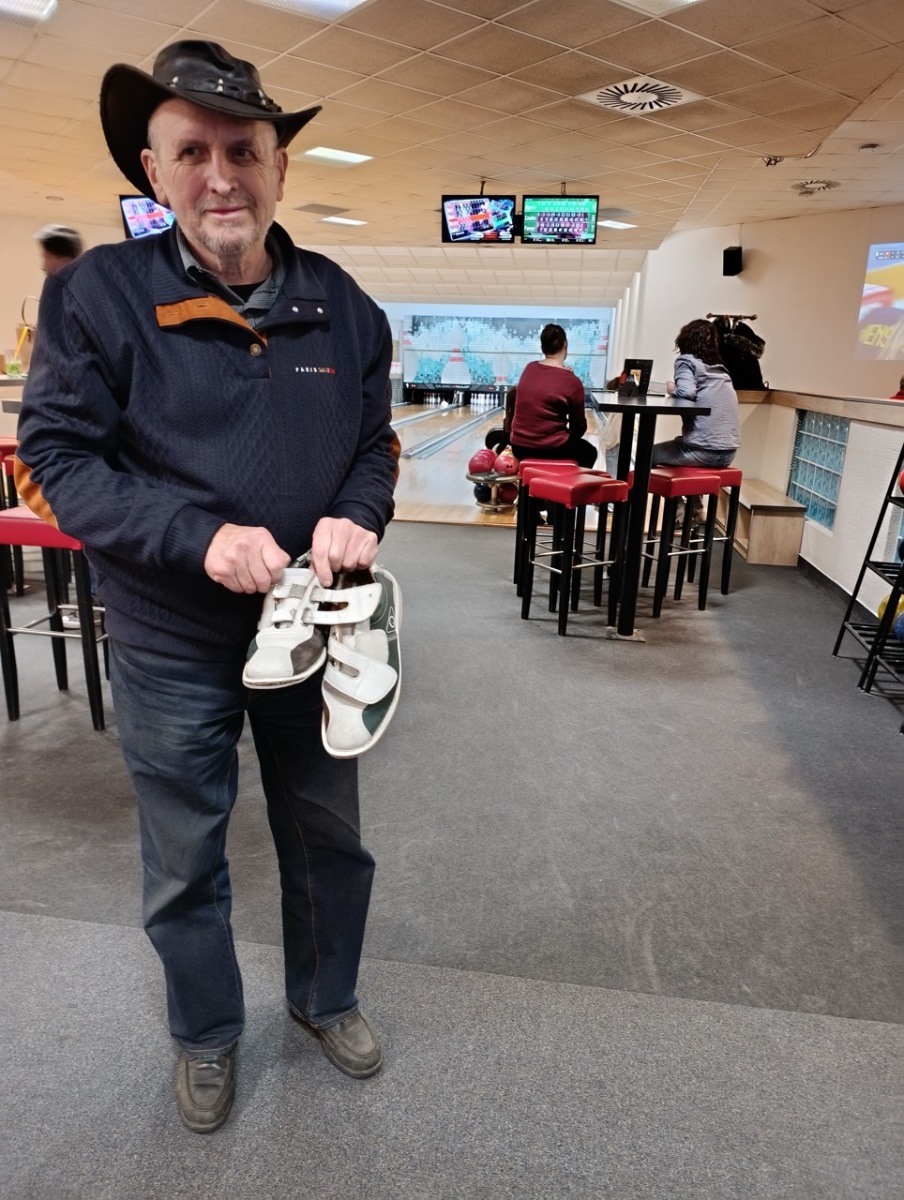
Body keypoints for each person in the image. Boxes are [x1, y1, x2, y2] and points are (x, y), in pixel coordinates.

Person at [14, 40, 399, 1134]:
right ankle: (206, 1032)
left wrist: (357, 513)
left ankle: (325, 998)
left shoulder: (342, 305)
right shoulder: (96, 296)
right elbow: (55, 461)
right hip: (168, 635)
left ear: (279, 166)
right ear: (153, 169)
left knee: (328, 839)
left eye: (243, 150)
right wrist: (198, 539)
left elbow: (374, 447)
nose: (220, 177)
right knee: (186, 856)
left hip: (309, 630)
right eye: (193, 152)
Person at [651, 318, 740, 525]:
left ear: (684, 339)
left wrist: (673, 389)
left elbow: (687, 392)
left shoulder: (686, 361)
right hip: (728, 454)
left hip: (702, 452)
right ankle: (698, 507)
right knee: (683, 443)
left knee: (648, 454)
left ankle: (679, 508)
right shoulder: (720, 369)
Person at [509, 324, 598, 469]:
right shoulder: (572, 381)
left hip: (519, 447)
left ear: (542, 347)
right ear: (565, 344)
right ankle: (568, 483)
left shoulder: (529, 368)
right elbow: (578, 428)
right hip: (551, 448)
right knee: (590, 452)